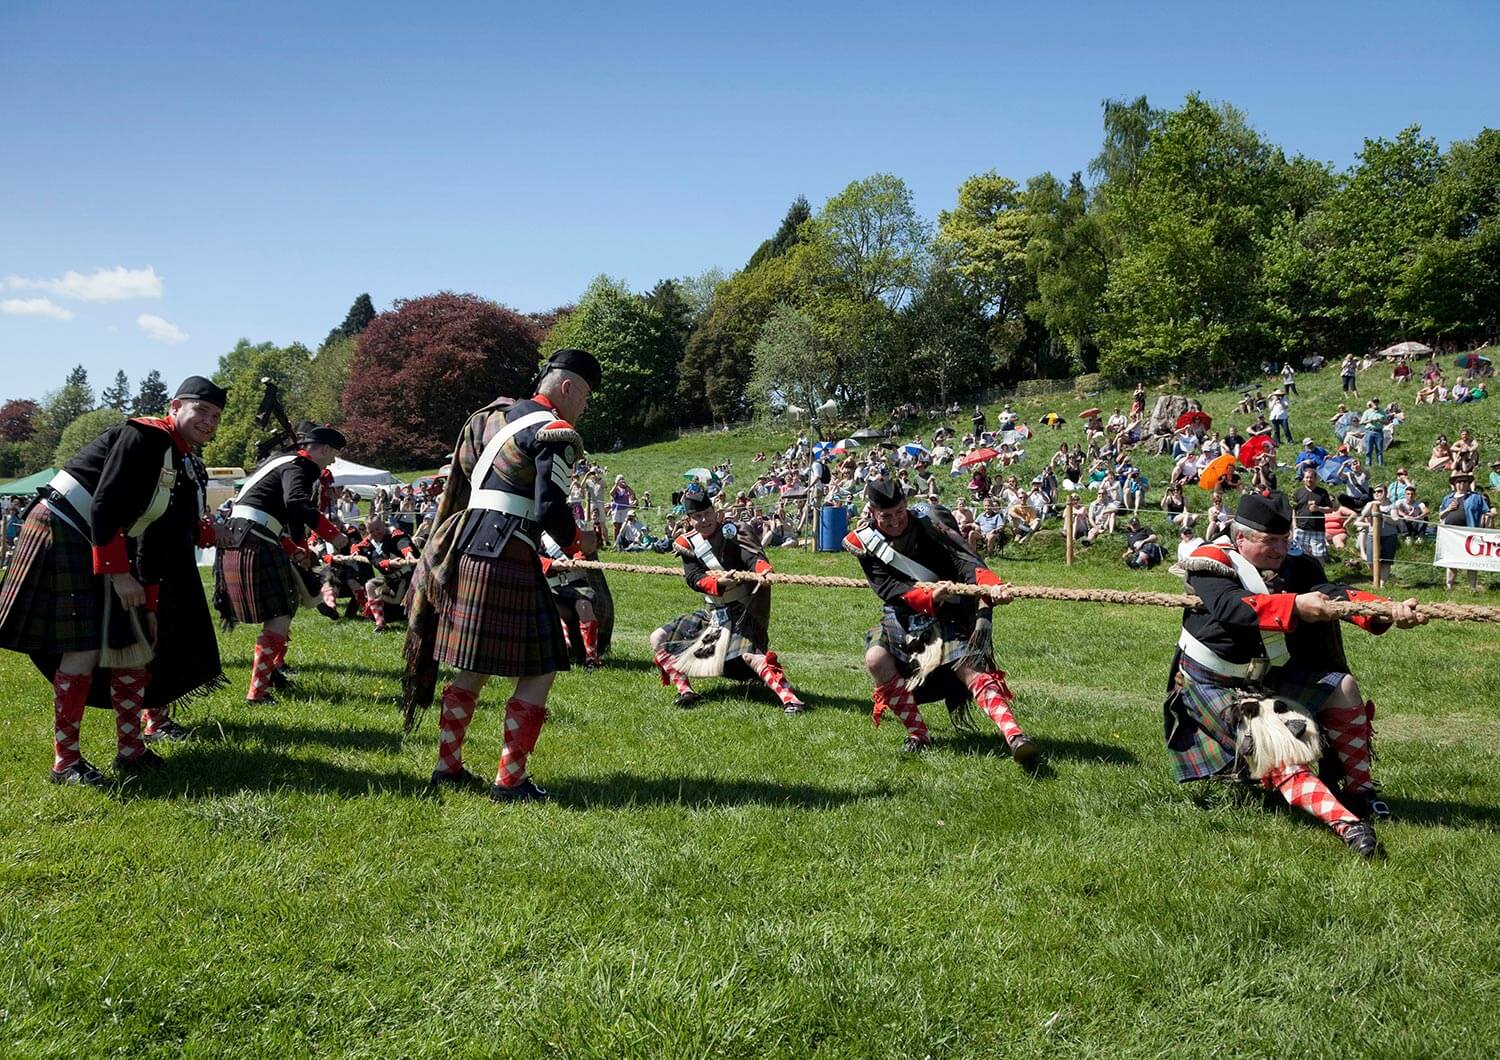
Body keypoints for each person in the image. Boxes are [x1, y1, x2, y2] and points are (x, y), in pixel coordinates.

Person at [1165, 491, 1428, 857]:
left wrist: (1384, 609)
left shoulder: (1296, 564)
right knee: (1276, 745)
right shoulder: (1211, 561)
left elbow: (1330, 593)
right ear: (1241, 539)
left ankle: (1359, 792)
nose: (1280, 549)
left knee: (1343, 688)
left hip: (1264, 676)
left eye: (1285, 539)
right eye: (1269, 541)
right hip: (1212, 681)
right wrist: (1295, 605)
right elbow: (1230, 608)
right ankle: (1348, 826)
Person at [0, 377, 229, 785]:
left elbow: (151, 534)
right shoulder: (143, 437)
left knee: (134, 645)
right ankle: (66, 763)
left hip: (98, 537)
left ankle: (131, 751)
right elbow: (105, 504)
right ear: (175, 406)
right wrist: (120, 575)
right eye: (202, 411)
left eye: (215, 416)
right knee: (83, 647)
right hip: (66, 528)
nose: (209, 422)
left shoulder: (174, 456)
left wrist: (149, 602)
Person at [402, 347, 601, 802]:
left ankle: (446, 768)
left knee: (471, 665)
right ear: (567, 388)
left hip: (464, 547)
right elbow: (550, 506)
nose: (585, 408)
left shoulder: (493, 420)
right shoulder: (558, 433)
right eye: (586, 397)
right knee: (542, 667)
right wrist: (579, 542)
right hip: (507, 551)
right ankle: (510, 781)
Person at [844, 476, 1039, 766]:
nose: (896, 521)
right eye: (887, 516)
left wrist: (991, 585)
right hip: (903, 614)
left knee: (969, 667)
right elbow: (886, 587)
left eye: (900, 512)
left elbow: (964, 559)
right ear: (872, 512)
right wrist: (926, 596)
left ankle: (1015, 736)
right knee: (875, 658)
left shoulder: (928, 524)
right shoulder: (863, 542)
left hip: (946, 611)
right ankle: (918, 734)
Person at [215, 424, 348, 703]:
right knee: (279, 615)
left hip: (247, 535)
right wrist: (333, 535)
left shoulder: (279, 461)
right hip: (254, 537)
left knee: (281, 611)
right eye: (333, 454)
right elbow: (296, 502)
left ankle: (271, 673)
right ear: (322, 449)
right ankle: (258, 692)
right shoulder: (300, 466)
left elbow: (265, 509)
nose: (333, 461)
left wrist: (291, 546)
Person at [649, 488, 806, 713]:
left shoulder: (735, 532)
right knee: (658, 638)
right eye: (697, 516)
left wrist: (764, 571)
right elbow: (693, 577)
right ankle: (686, 691)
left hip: (741, 612)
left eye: (707, 513)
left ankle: (790, 699)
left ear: (715, 511)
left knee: (751, 657)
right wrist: (717, 584)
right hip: (711, 614)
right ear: (689, 519)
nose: (704, 520)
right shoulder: (687, 544)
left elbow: (754, 558)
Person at [352, 515, 417, 631]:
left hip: (411, 580)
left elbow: (402, 542)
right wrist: (389, 563)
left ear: (383, 524)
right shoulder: (369, 545)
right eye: (372, 531)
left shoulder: (396, 534)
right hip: (392, 583)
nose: (376, 533)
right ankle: (381, 624)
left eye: (377, 528)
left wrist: (407, 553)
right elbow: (375, 560)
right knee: (370, 586)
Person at [1438, 471, 1490, 591]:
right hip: (1451, 534)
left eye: (1464, 481)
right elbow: (1441, 516)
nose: (1461, 484)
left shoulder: (1476, 497)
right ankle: (1449, 586)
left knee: (1471, 561)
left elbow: (1486, 511)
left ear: (1468, 483)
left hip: (1469, 534)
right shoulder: (1447, 498)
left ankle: (1472, 588)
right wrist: (1448, 509)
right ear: (1455, 484)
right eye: (1458, 482)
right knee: (1451, 561)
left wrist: (1491, 516)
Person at [1291, 467, 1333, 559]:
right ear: (1303, 479)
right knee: (1299, 555)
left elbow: (1330, 509)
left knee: (1319, 556)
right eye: (1307, 477)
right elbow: (1293, 510)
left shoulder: (1322, 492)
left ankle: (1319, 573)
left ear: (1315, 479)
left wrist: (1318, 508)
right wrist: (1294, 526)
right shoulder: (1298, 492)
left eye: (1311, 477)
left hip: (1317, 529)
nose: (1309, 479)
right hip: (1301, 529)